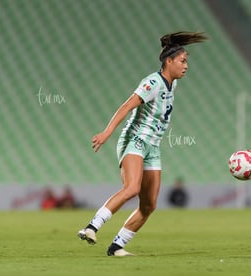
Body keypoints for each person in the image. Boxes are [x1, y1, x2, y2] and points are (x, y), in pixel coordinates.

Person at [77, 31, 207, 256]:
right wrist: (107, 133)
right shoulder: (153, 82)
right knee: (132, 188)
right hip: (135, 140)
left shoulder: (171, 84)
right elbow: (127, 106)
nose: (186, 66)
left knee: (149, 205)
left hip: (153, 147)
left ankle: (117, 246)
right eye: (183, 61)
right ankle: (91, 227)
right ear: (169, 61)